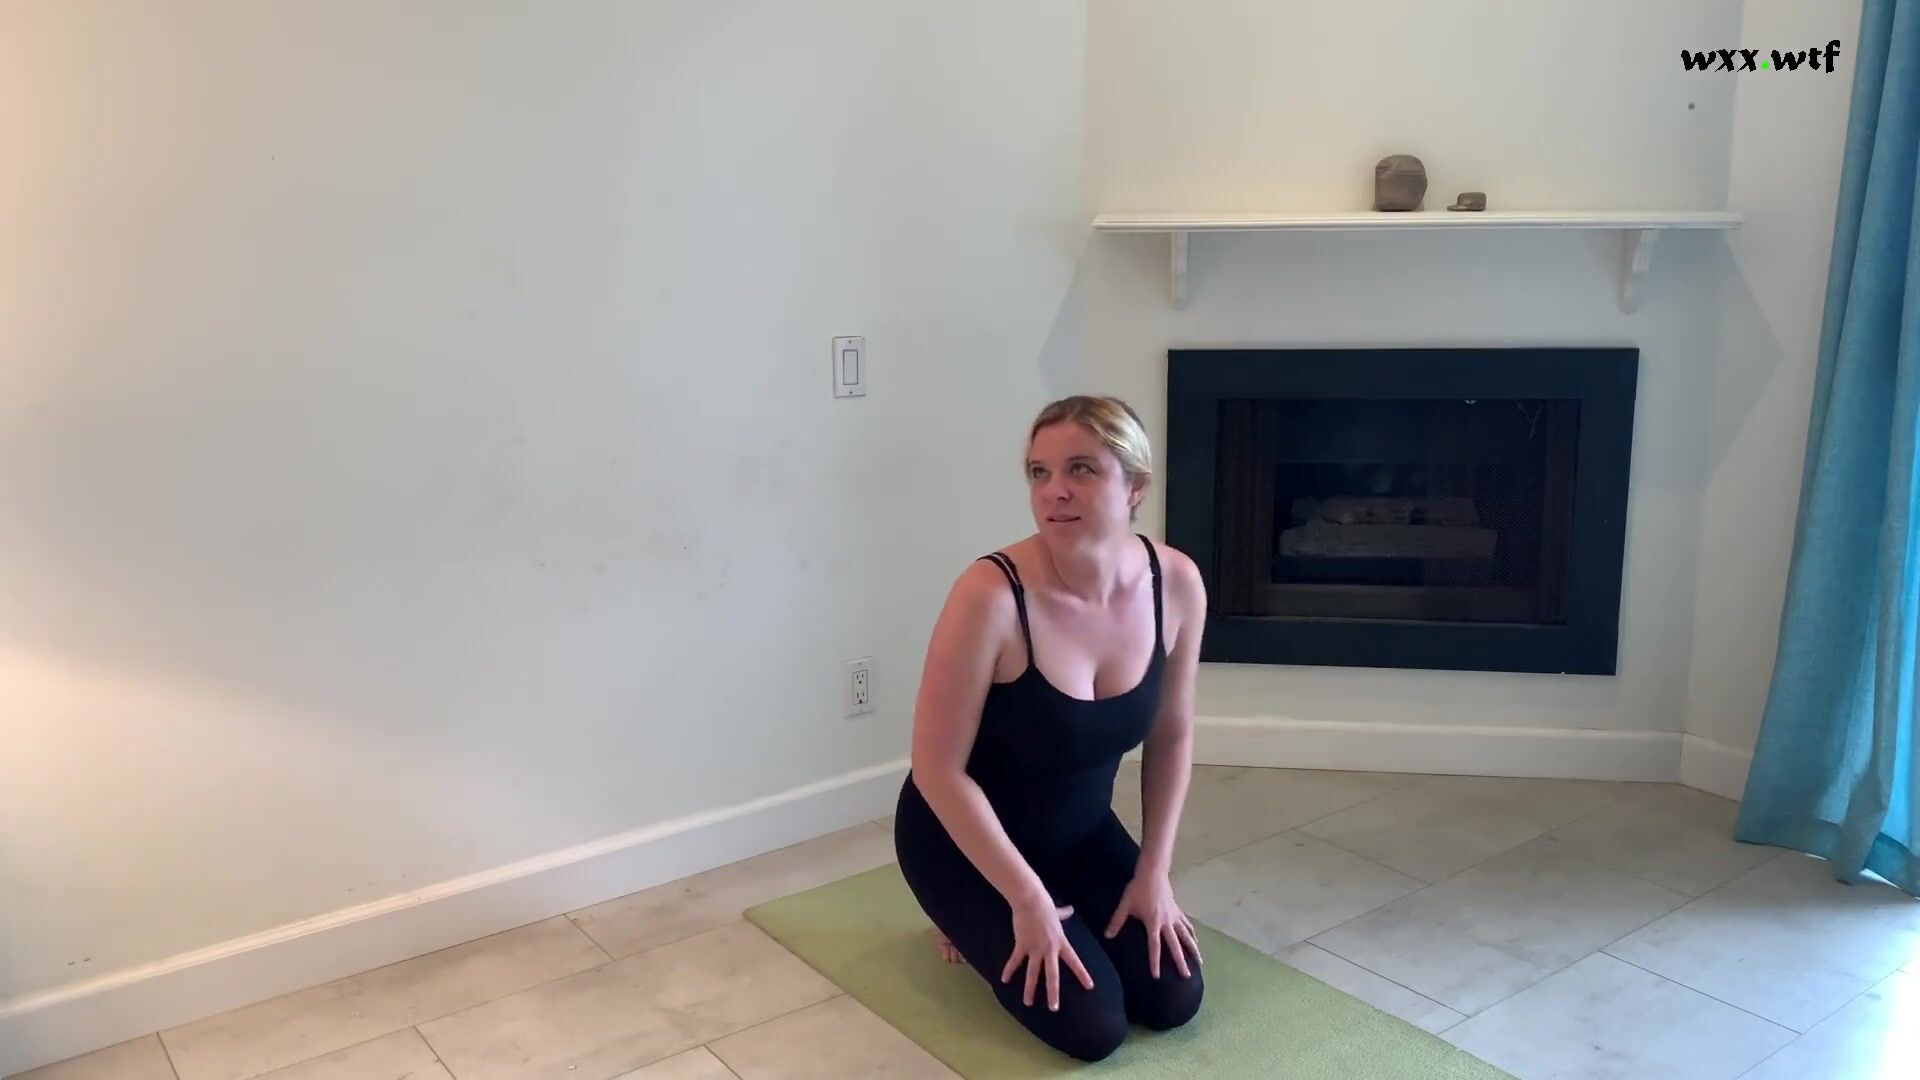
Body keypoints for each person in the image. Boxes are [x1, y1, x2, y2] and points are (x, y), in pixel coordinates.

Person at [891, 394, 1206, 1063]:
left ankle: (1058, 903)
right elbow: (936, 769)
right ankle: (958, 915)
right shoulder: (990, 595)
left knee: (1173, 997)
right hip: (961, 843)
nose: (1054, 491)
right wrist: (1026, 900)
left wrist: (1154, 873)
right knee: (1095, 1029)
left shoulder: (1175, 582)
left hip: (1079, 833)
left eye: (1081, 469)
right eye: (1040, 472)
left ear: (1135, 486)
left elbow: (1173, 733)